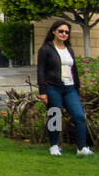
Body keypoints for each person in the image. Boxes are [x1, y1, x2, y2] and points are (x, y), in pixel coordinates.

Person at [38, 20, 92, 157]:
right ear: (54, 31)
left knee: (79, 116)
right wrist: (43, 92)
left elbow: (74, 70)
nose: (64, 34)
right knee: (55, 115)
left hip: (70, 88)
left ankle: (82, 148)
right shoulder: (46, 49)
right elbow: (41, 71)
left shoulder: (69, 49)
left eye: (67, 32)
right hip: (53, 87)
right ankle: (54, 146)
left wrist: (77, 88)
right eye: (61, 31)